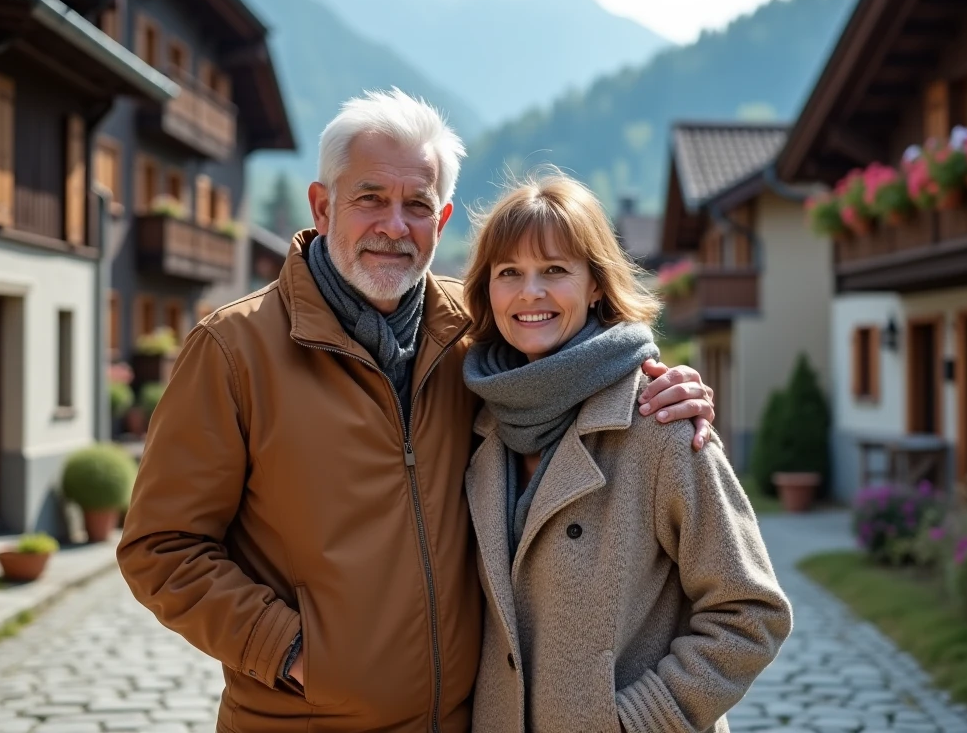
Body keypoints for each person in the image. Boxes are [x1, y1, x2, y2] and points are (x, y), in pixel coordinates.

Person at [116, 89, 717, 733]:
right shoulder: (234, 351)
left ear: (443, 218)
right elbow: (161, 546)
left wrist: (659, 383)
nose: (394, 226)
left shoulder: (482, 337)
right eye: (370, 198)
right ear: (323, 206)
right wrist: (288, 651)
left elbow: (573, 361)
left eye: (417, 206)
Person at [461, 169, 792, 733]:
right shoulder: (476, 418)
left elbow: (751, 611)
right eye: (509, 272)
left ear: (595, 284)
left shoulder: (660, 419)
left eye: (555, 270)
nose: (530, 292)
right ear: (487, 290)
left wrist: (637, 721)